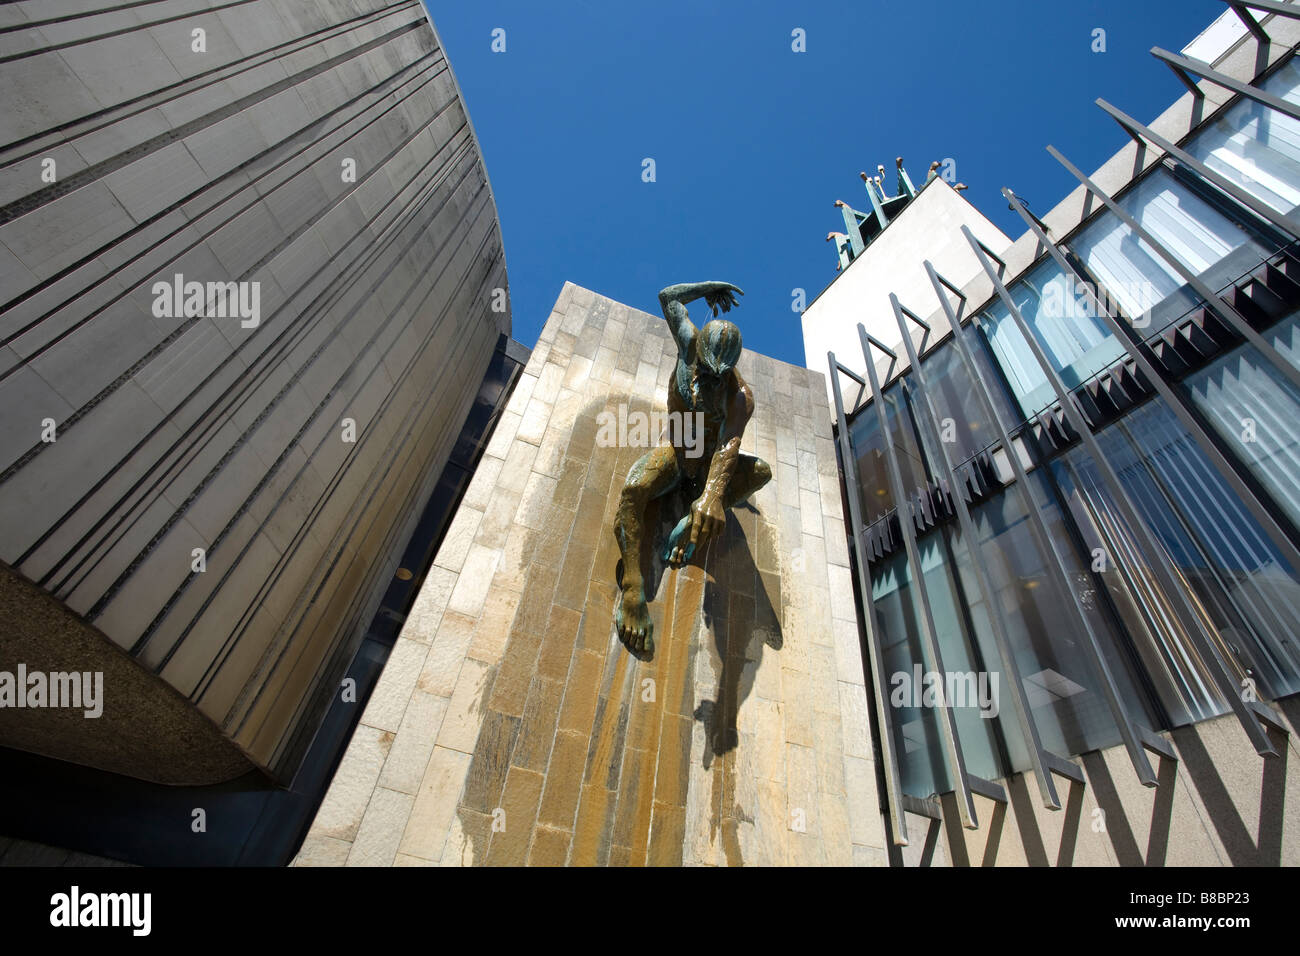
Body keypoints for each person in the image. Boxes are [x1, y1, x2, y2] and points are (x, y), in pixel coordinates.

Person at [612, 281, 772, 654]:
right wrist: (709, 288)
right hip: (678, 452)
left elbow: (730, 445)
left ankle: (694, 515)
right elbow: (667, 297)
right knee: (634, 489)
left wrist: (711, 498)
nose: (707, 381)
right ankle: (634, 586)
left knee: (761, 471)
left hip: (708, 466)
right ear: (696, 349)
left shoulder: (740, 397)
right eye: (704, 369)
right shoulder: (688, 340)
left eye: (718, 376)